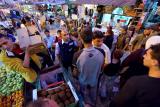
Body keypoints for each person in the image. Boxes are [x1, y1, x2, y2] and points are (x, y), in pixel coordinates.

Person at [110, 43, 160, 107]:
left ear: (154, 62)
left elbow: (116, 103)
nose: (144, 56)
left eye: (147, 54)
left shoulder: (136, 82)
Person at [74, 28, 104, 107]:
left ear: (81, 39)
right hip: (94, 81)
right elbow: (102, 68)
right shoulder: (101, 52)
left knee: (85, 98)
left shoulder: (77, 55)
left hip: (83, 82)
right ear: (92, 38)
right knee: (93, 97)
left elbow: (75, 73)